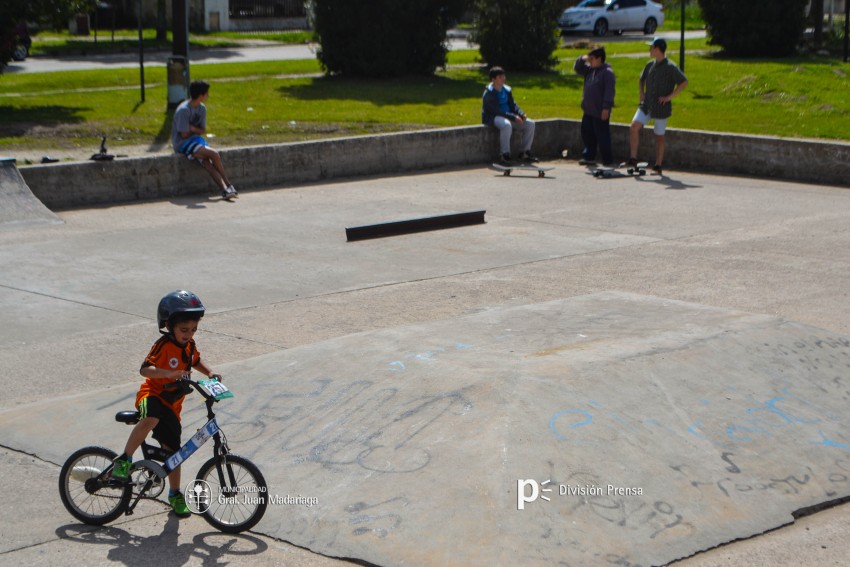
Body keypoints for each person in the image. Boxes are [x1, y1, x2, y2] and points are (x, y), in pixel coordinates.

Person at [112, 290, 222, 517]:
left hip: (173, 406)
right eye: (184, 330)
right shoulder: (163, 345)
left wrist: (210, 372)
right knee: (151, 418)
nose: (189, 334)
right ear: (169, 326)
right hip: (152, 394)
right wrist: (168, 373)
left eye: (193, 330)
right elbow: (145, 369)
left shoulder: (189, 346)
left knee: (174, 454)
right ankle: (124, 460)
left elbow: (196, 360)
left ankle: (174, 494)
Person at [628, 37, 688, 175]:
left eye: (651, 47)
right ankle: (633, 158)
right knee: (634, 126)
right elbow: (641, 79)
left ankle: (658, 165)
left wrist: (669, 97)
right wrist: (641, 93)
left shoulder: (670, 67)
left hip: (661, 107)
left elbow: (684, 82)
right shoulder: (650, 65)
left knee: (659, 136)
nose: (649, 50)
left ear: (657, 49)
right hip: (647, 104)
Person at [172, 80, 238, 200]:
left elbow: (202, 130)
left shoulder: (202, 109)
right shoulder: (184, 110)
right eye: (207, 93)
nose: (208, 95)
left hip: (196, 140)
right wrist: (195, 130)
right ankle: (229, 184)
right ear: (201, 95)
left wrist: (192, 128)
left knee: (207, 162)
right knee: (214, 154)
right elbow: (184, 134)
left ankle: (225, 190)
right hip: (182, 143)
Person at [482, 66, 538, 165]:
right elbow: (497, 111)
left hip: (509, 116)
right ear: (493, 79)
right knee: (506, 125)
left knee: (530, 124)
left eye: (503, 76)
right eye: (500, 77)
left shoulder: (507, 90)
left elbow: (513, 105)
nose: (503, 78)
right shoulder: (488, 93)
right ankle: (504, 155)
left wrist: (521, 114)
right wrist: (513, 117)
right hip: (494, 117)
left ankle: (524, 153)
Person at [574, 47, 616, 166]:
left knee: (602, 136)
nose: (590, 61)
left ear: (599, 59)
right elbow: (577, 68)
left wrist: (606, 108)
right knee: (587, 134)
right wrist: (583, 58)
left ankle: (607, 160)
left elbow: (609, 92)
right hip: (588, 110)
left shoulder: (607, 73)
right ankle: (589, 156)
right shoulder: (589, 70)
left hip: (600, 111)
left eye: (592, 59)